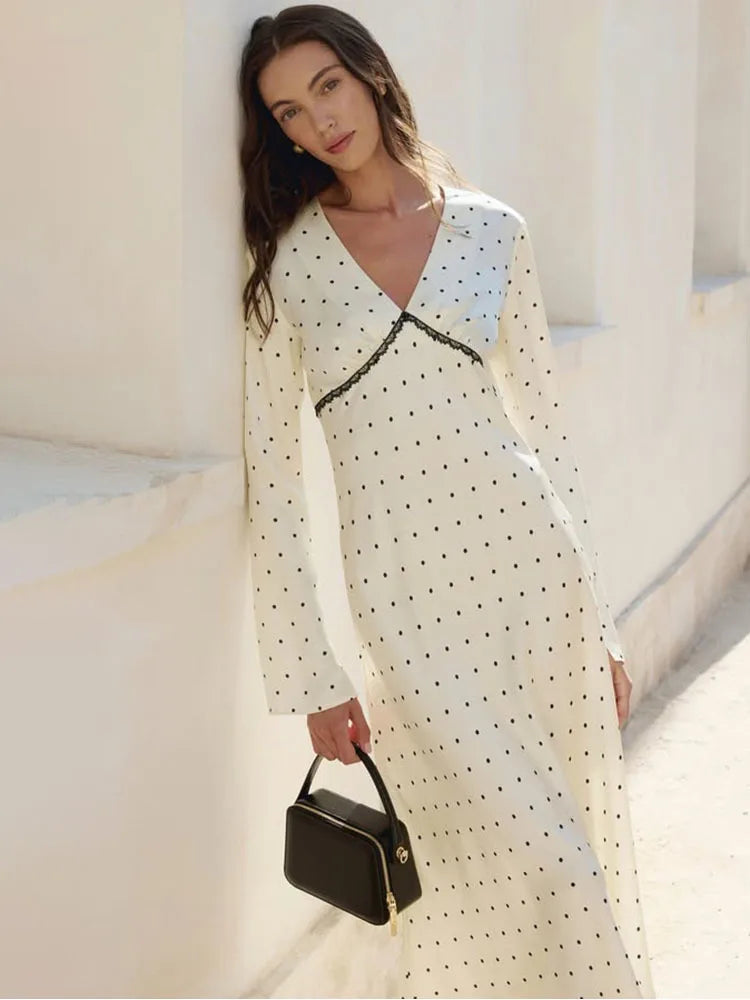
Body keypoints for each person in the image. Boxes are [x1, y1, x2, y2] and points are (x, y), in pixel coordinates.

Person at [238, 6, 655, 998]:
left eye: (327, 86)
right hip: (410, 606)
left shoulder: (492, 231)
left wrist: (601, 626)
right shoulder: (290, 266)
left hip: (532, 579)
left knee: (551, 861)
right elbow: (275, 482)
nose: (318, 122)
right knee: (515, 865)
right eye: (289, 112)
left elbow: (549, 439)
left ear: (369, 73)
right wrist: (311, 672)